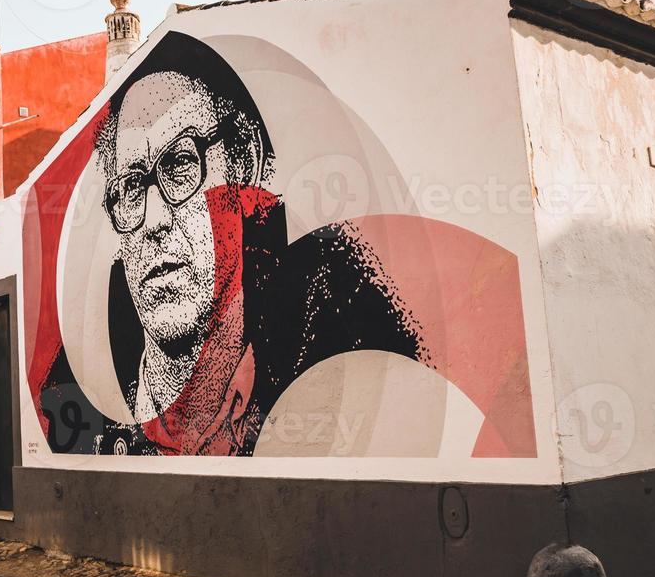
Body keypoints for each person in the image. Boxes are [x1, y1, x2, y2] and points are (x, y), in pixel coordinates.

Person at [38, 32, 427, 457]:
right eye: (131, 188)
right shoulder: (72, 403)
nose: (152, 220)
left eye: (180, 163)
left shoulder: (340, 349)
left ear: (244, 168)